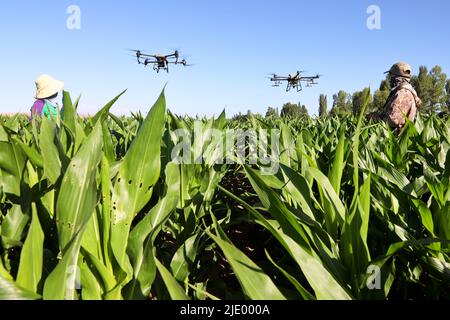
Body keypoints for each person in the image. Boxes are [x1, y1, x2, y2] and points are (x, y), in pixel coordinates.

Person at [372, 62, 422, 131]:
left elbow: (393, 120)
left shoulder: (402, 93)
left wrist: (375, 117)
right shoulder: (406, 91)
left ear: (396, 77)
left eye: (391, 76)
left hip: (397, 139)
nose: (390, 79)